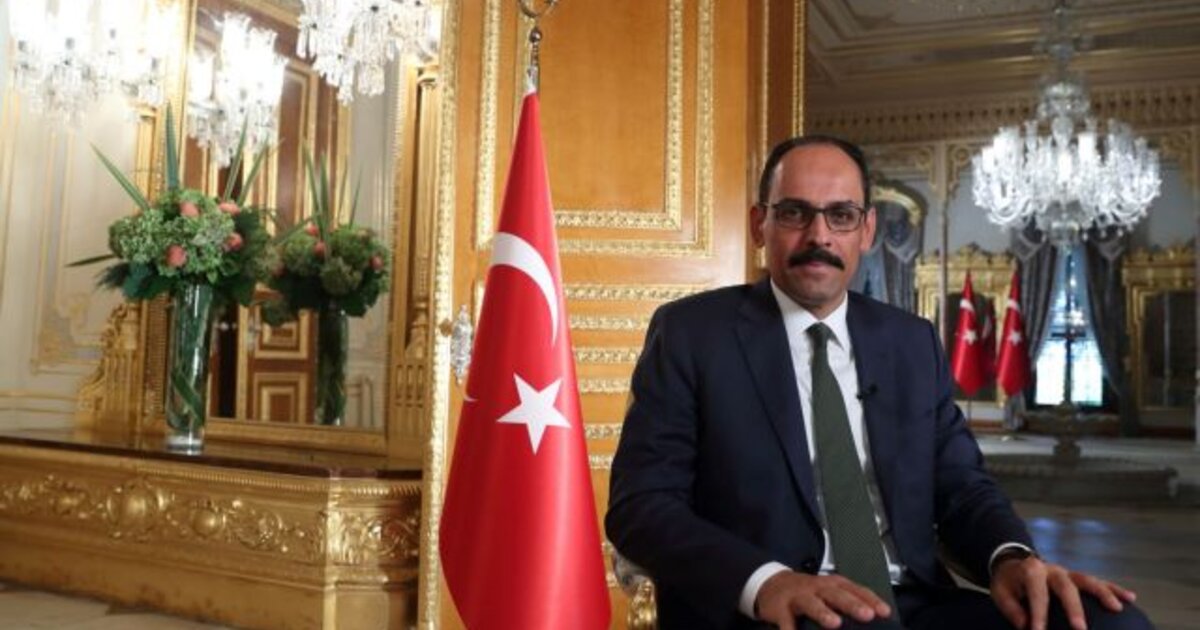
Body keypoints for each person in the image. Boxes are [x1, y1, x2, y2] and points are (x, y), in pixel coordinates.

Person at [605, 135, 1154, 630]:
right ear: (759, 225)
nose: (819, 235)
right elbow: (641, 507)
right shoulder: (693, 334)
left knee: (1115, 623)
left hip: (913, 601)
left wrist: (1009, 557)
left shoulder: (911, 341)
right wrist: (766, 582)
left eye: (841, 215)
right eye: (794, 213)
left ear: (866, 229)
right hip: (777, 608)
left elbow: (962, 486)